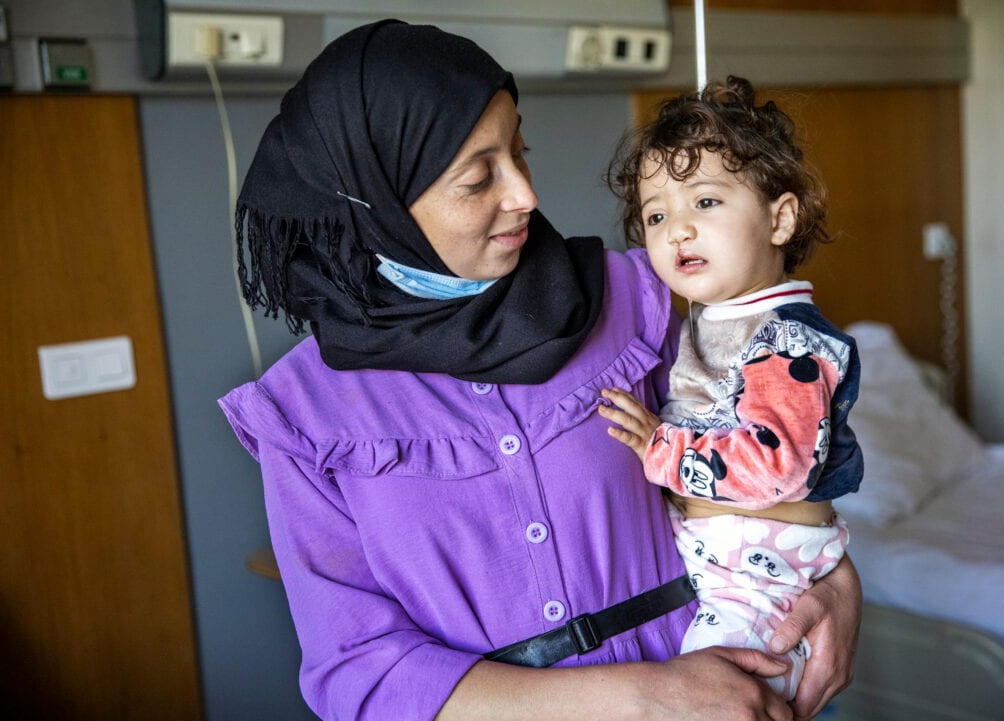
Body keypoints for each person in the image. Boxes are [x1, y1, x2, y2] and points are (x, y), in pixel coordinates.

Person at [218, 20, 862, 721]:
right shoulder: (306, 413)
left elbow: (755, 456)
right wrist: (644, 698)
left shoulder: (629, 299)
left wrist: (836, 584)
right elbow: (358, 671)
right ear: (378, 204)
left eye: (519, 152)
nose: (525, 193)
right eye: (477, 177)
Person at [597, 76, 863, 700]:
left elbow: (775, 468)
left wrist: (661, 449)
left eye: (706, 203)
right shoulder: (716, 320)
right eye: (657, 214)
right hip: (726, 553)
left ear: (780, 218)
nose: (677, 231)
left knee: (715, 696)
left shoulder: (786, 341)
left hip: (758, 570)